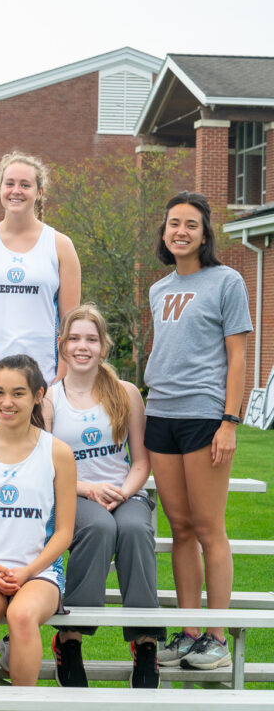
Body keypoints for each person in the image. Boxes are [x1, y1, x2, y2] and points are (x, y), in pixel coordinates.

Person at [145, 192, 251, 672]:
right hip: (160, 416)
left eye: (191, 224)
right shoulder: (159, 289)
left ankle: (215, 636)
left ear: (205, 234)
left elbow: (237, 358)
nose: (180, 231)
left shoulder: (227, 281)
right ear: (164, 233)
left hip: (205, 417)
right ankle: (189, 633)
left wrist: (229, 421)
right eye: (173, 224)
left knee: (210, 528)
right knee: (181, 528)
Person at [43, 304, 159, 687]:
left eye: (91, 339)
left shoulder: (126, 394)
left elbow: (141, 462)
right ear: (62, 345)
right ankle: (71, 639)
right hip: (72, 493)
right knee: (97, 529)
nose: (82, 346)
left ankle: (144, 642)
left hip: (123, 494)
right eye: (74, 338)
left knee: (135, 532)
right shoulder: (48, 399)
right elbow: (45, 464)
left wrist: (122, 493)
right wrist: (87, 489)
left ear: (103, 346)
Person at [0, 354, 75, 687]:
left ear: (38, 395)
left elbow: (64, 533)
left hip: (40, 571)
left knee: (21, 616)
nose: (7, 402)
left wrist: (27, 571)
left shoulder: (57, 452)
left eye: (18, 393)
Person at [0, 151, 81, 384]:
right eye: (9, 183)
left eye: (25, 184)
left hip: (41, 377)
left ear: (39, 193)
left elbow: (70, 324)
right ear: (0, 189)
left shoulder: (61, 246)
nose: (16, 190)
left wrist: (60, 379)